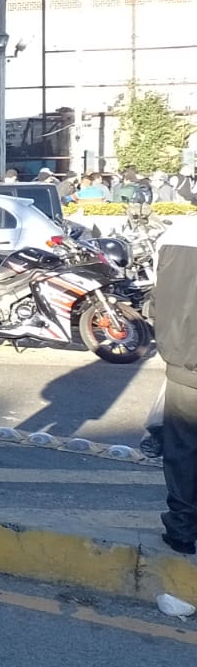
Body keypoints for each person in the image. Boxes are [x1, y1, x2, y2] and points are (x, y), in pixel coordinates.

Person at [152, 217, 197, 555]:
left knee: (182, 449)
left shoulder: (175, 233)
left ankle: (182, 529)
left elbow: (159, 297)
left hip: (183, 361)